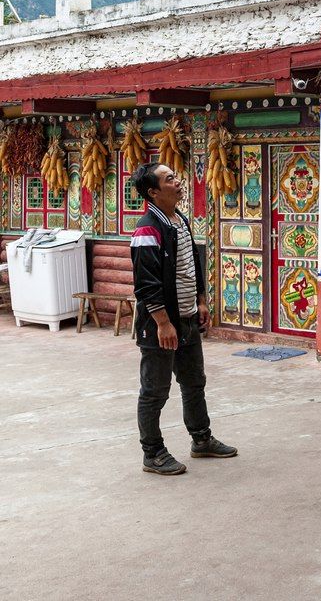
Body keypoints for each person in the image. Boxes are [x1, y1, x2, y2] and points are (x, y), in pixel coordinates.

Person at [130, 161, 238, 475]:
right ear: (153, 191)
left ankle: (201, 439)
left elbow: (192, 266)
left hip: (188, 317)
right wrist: (163, 323)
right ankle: (152, 453)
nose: (177, 182)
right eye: (169, 179)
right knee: (155, 391)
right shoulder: (147, 229)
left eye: (175, 176)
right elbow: (146, 283)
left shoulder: (179, 220)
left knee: (194, 383)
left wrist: (201, 301)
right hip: (161, 325)